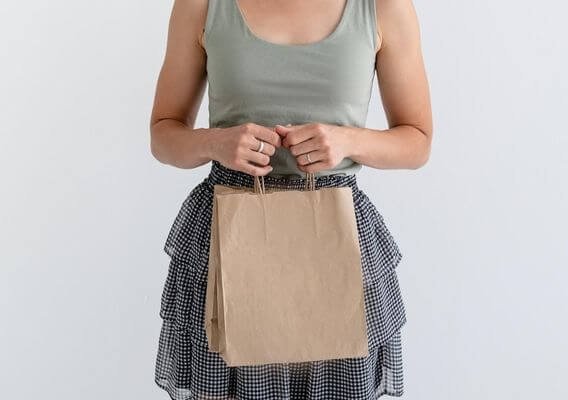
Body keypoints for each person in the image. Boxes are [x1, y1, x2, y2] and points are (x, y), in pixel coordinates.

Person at [149, 0, 432, 398]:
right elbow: (163, 135)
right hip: (230, 232)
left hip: (334, 236)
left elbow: (417, 141)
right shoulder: (202, 5)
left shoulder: (383, 7)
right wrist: (215, 142)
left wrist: (347, 140)